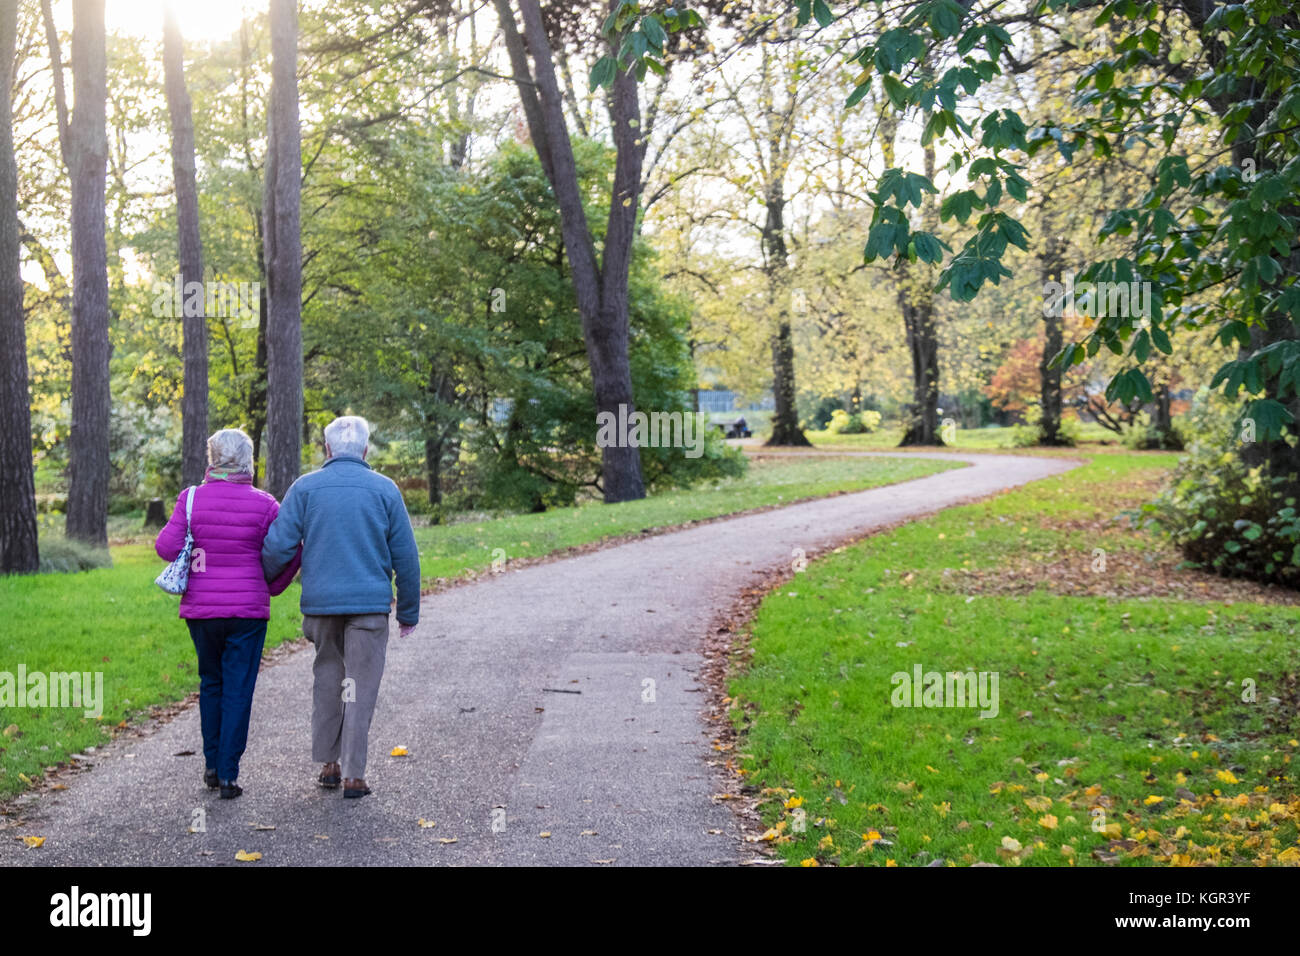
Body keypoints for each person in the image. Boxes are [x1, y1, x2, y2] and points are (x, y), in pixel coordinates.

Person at [261, 416, 421, 799]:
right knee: (360, 688)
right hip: (368, 608)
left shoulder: (305, 489)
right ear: (365, 450)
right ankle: (354, 775)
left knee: (328, 681)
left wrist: (266, 581)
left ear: (326, 449)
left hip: (321, 607)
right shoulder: (385, 490)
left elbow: (279, 545)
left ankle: (329, 764)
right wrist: (408, 612)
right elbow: (406, 557)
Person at [155, 428, 300, 800]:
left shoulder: (190, 500)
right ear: (248, 460)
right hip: (248, 612)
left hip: (202, 611)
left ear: (212, 459)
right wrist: (273, 585)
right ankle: (228, 774)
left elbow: (165, 547)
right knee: (239, 688)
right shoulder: (265, 503)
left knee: (211, 683)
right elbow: (288, 549)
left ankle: (210, 763)